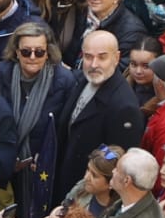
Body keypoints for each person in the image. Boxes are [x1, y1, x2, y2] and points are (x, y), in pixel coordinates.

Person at [54, 30, 144, 199]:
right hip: (68, 182)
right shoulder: (84, 80)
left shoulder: (124, 106)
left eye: (102, 57)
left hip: (90, 194)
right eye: (88, 57)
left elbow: (117, 162)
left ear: (116, 58)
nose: (94, 64)